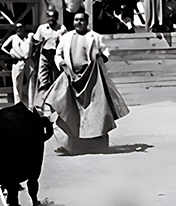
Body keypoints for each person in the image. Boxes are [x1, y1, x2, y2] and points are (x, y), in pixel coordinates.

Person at [40, 12, 129, 153]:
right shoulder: (66, 37)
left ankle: (98, 145)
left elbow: (106, 52)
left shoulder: (95, 36)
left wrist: (101, 57)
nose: (78, 22)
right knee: (69, 109)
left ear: (87, 22)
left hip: (92, 80)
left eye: (81, 20)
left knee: (96, 111)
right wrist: (62, 64)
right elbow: (58, 54)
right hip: (71, 77)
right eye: (76, 20)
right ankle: (71, 145)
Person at [31, 9, 67, 100]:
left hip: (56, 56)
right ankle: (40, 104)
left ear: (56, 18)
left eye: (53, 17)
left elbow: (66, 43)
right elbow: (36, 41)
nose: (51, 19)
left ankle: (56, 103)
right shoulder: (42, 28)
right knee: (43, 79)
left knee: (57, 80)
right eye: (49, 17)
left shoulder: (62, 29)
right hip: (45, 55)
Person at [1, 23, 34, 107]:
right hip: (18, 61)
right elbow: (3, 47)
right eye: (17, 28)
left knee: (31, 83)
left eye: (20, 27)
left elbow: (36, 44)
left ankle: (31, 105)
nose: (18, 29)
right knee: (16, 85)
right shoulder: (13, 37)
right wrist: (10, 54)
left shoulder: (29, 37)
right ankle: (18, 105)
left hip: (28, 61)